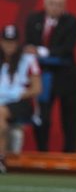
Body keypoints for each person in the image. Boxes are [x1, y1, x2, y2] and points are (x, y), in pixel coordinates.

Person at [25, 0, 76, 153]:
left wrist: (42, 52)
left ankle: (70, 155)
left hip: (66, 76)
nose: (55, 7)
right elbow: (29, 45)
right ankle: (42, 152)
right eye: (52, 4)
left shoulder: (72, 21)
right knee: (42, 116)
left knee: (69, 117)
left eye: (59, 4)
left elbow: (67, 48)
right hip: (43, 75)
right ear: (45, 4)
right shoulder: (33, 19)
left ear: (64, 6)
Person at [0, 25, 42, 173]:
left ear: (18, 43)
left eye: (12, 42)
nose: (9, 45)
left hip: (21, 103)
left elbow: (37, 88)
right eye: (6, 41)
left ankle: (1, 157)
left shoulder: (28, 60)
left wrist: (16, 94)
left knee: (1, 113)